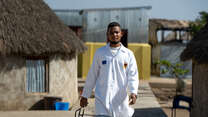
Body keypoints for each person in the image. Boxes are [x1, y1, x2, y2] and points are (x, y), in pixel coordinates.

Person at [80, 22, 139, 117]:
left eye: (116, 32)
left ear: (121, 34)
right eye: (111, 33)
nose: (114, 35)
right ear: (107, 35)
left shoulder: (128, 54)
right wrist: (85, 95)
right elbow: (92, 75)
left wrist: (133, 92)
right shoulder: (100, 53)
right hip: (102, 101)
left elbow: (133, 75)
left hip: (120, 102)